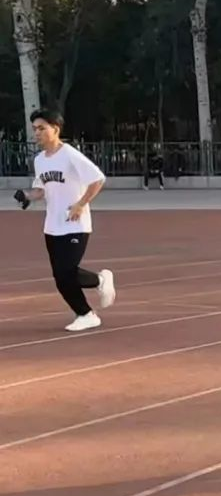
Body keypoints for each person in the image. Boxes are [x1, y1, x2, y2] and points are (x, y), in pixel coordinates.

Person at [13, 109, 116, 332]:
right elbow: (41, 190)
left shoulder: (69, 154)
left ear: (55, 129)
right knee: (60, 277)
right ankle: (86, 314)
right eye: (34, 129)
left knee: (66, 271)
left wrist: (80, 204)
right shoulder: (39, 160)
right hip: (52, 226)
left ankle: (100, 281)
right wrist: (28, 196)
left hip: (75, 223)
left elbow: (98, 179)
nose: (37, 133)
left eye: (42, 128)